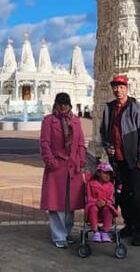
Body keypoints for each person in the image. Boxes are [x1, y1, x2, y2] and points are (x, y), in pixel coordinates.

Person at [99, 74, 140, 246]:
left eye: (121, 87)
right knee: (122, 196)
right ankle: (128, 225)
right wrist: (107, 146)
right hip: (117, 160)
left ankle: (139, 229)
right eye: (115, 87)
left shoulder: (135, 107)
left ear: (127, 88)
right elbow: (104, 131)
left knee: (136, 196)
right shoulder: (109, 108)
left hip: (133, 159)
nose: (118, 90)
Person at [40, 92, 86, 248]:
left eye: (65, 103)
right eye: (60, 103)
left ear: (70, 105)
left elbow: (80, 142)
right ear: (56, 104)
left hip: (73, 167)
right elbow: (44, 143)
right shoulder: (49, 121)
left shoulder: (76, 121)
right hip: (57, 167)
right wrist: (51, 162)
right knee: (56, 204)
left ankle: (66, 233)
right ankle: (59, 236)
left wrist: (81, 160)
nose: (63, 106)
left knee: (69, 205)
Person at [85, 162, 118, 242]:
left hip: (105, 206)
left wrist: (105, 202)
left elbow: (111, 199)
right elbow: (88, 198)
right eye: (105, 173)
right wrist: (96, 201)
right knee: (93, 208)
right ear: (99, 173)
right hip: (93, 206)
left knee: (108, 209)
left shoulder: (110, 186)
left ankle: (105, 232)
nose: (107, 176)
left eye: (109, 174)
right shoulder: (91, 184)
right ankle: (95, 231)